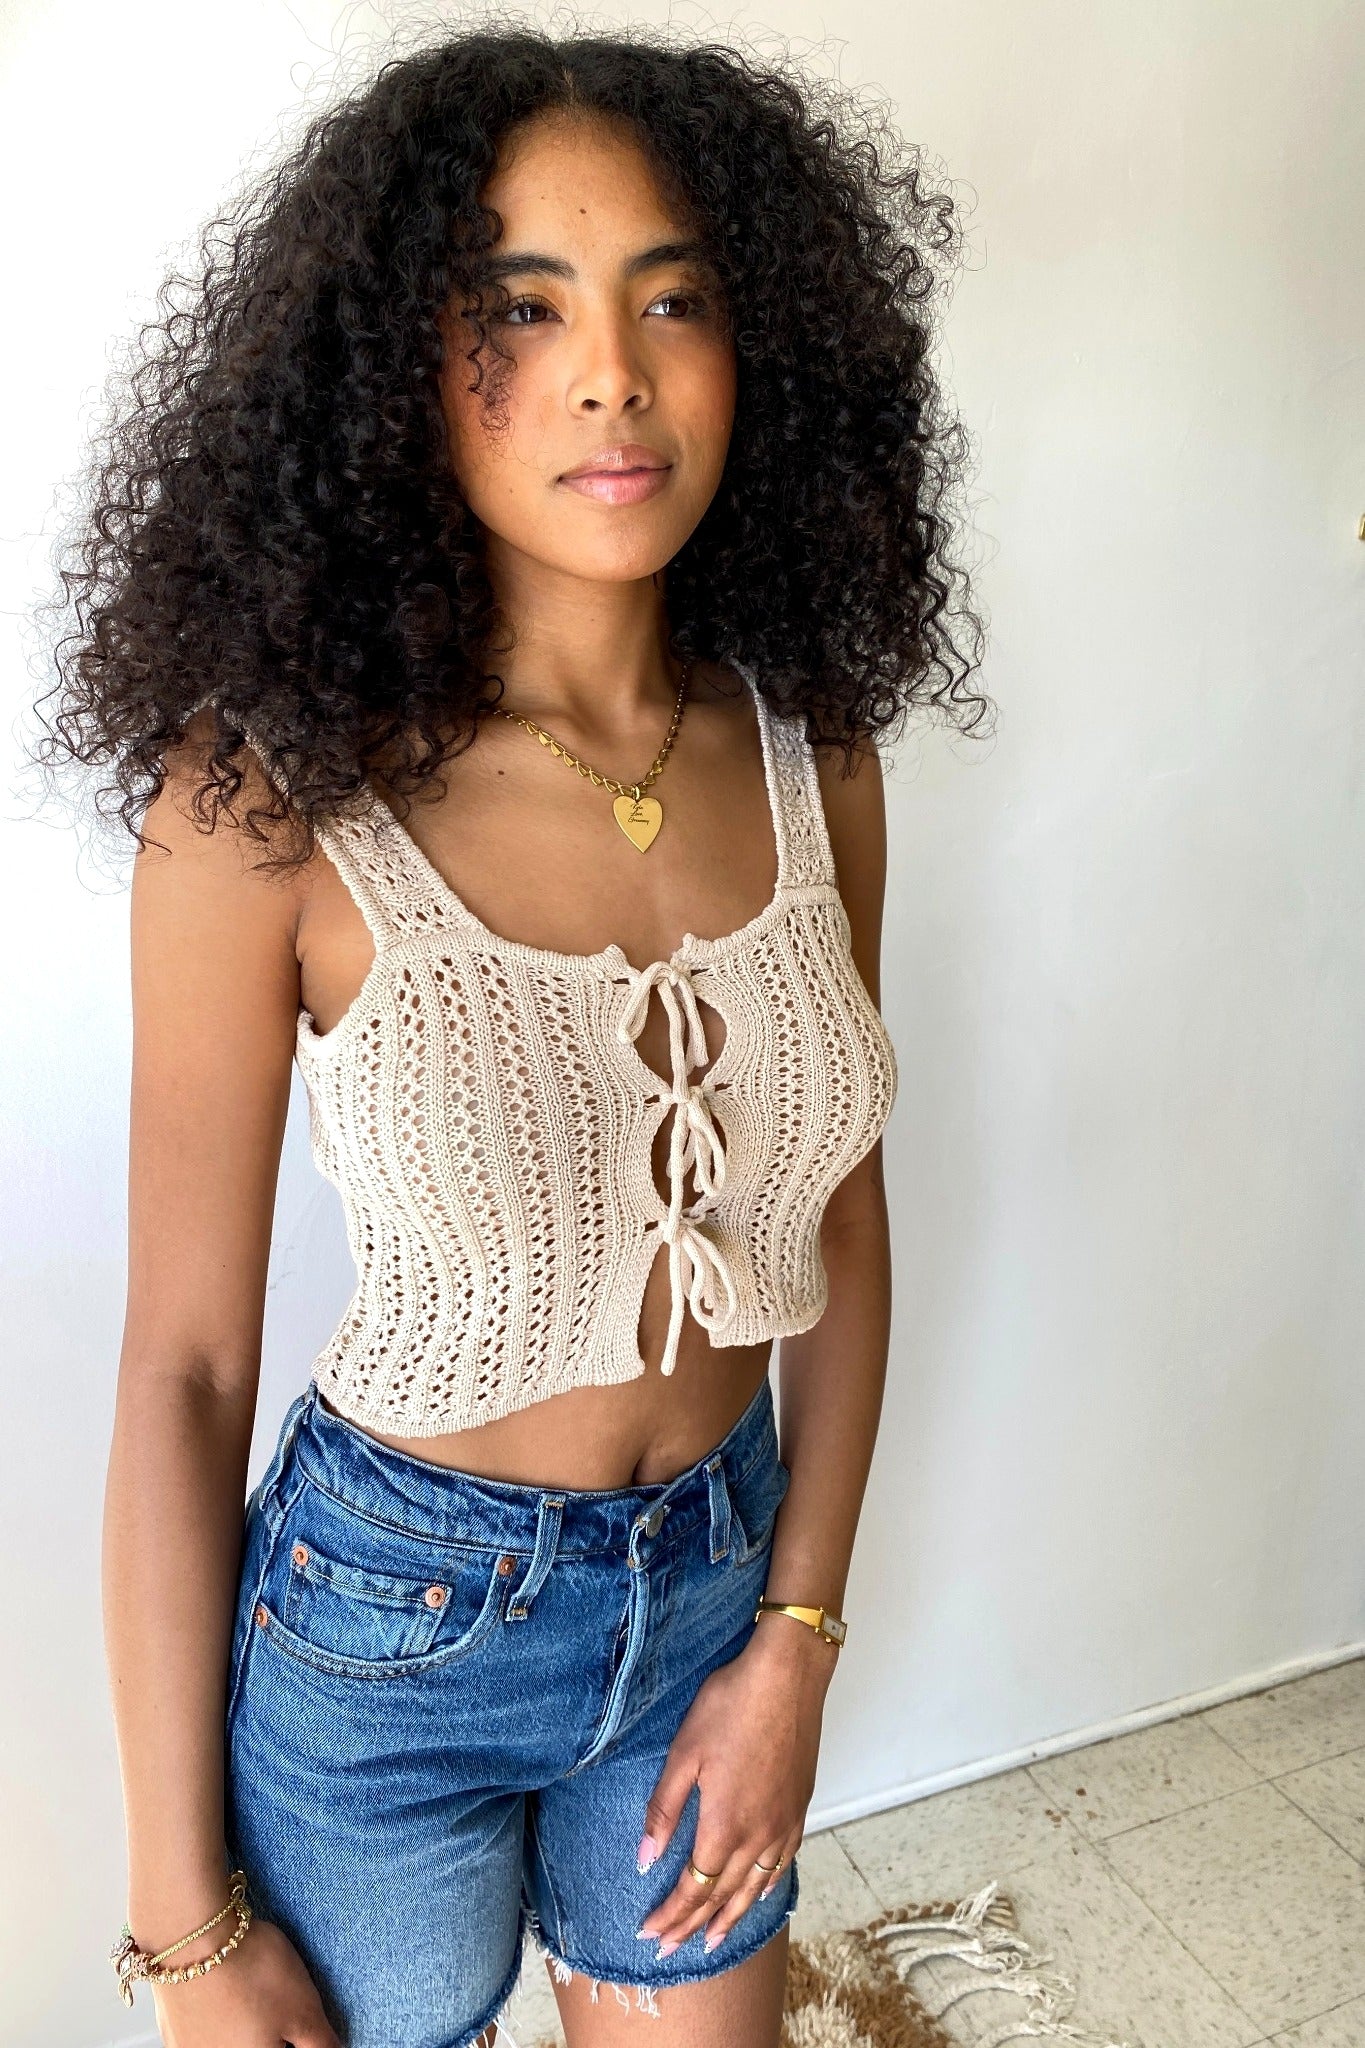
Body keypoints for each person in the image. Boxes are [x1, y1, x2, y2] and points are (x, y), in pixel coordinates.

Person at [35, 25, 985, 2048]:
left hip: (718, 1573)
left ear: (766, 356)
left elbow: (839, 1221)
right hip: (388, 1635)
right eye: (518, 309)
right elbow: (188, 1365)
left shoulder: (812, 753)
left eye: (672, 300)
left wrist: (797, 1634)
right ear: (391, 367)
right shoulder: (263, 804)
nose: (610, 374)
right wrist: (182, 1928)